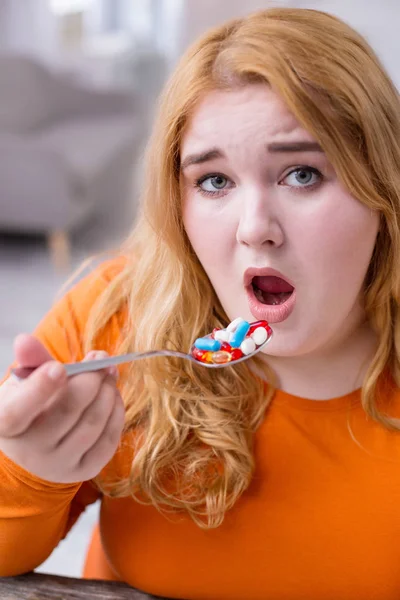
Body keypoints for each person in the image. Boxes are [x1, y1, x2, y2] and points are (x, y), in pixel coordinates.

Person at [1, 6, 400, 599]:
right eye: (214, 181)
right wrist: (30, 471)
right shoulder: (114, 319)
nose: (254, 228)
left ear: (382, 185)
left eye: (302, 174)